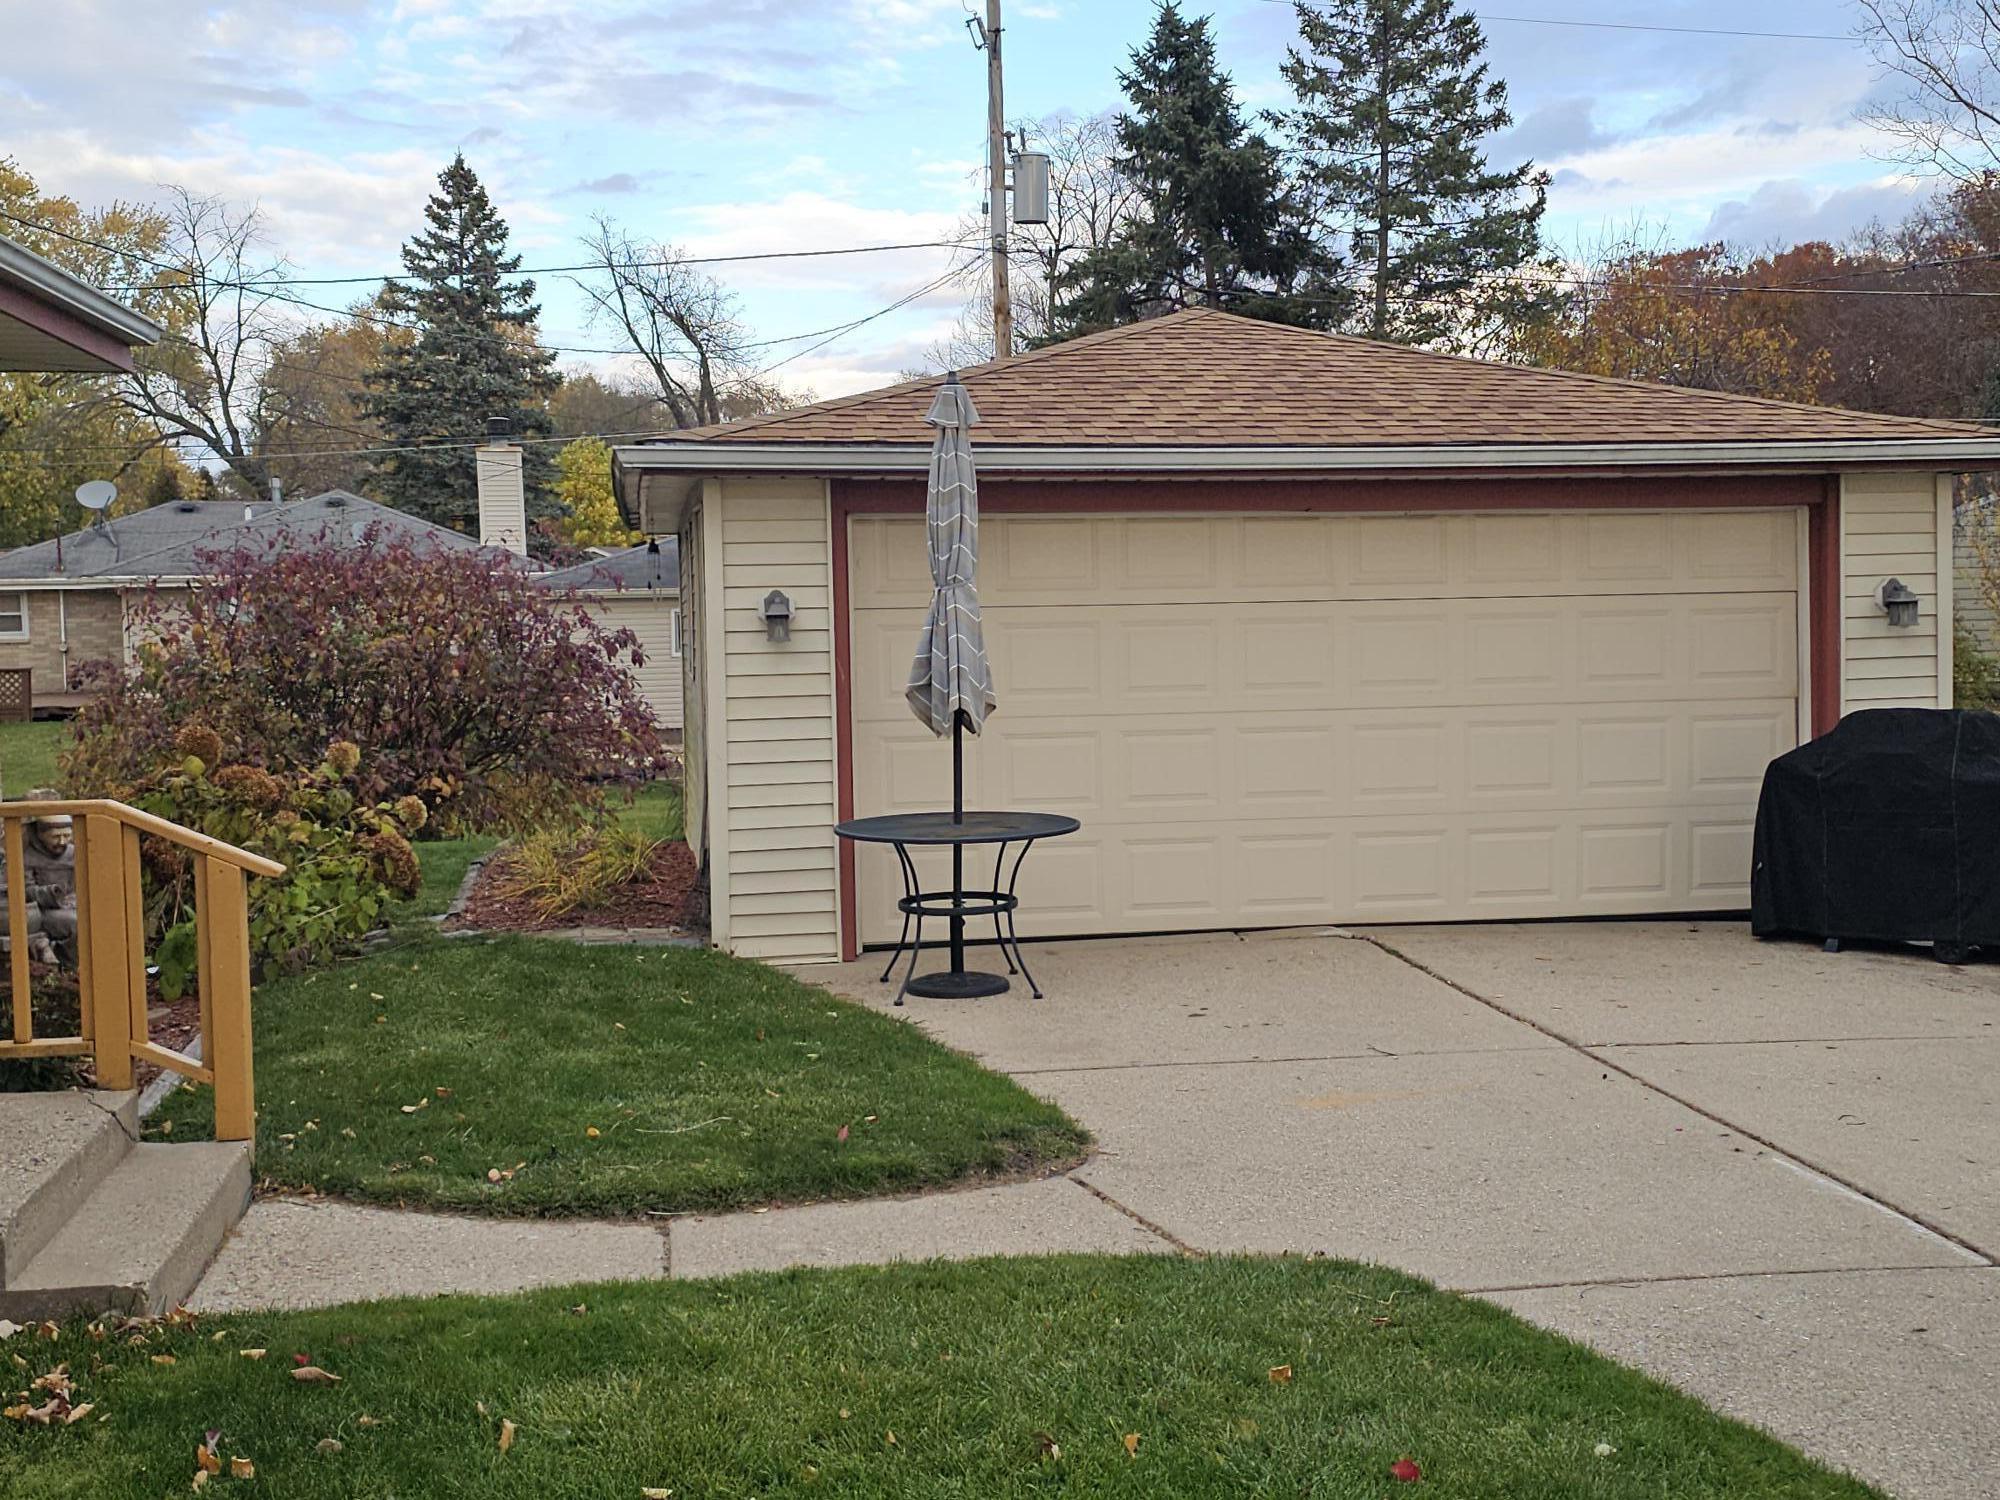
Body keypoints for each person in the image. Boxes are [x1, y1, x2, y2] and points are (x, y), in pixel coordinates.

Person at [0, 794, 77, 968]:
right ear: (41, 834)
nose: (62, 842)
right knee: (75, 923)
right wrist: (49, 893)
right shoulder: (25, 855)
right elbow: (22, 889)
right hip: (39, 911)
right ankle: (69, 967)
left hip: (71, 905)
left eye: (67, 836)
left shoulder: (73, 853)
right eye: (56, 837)